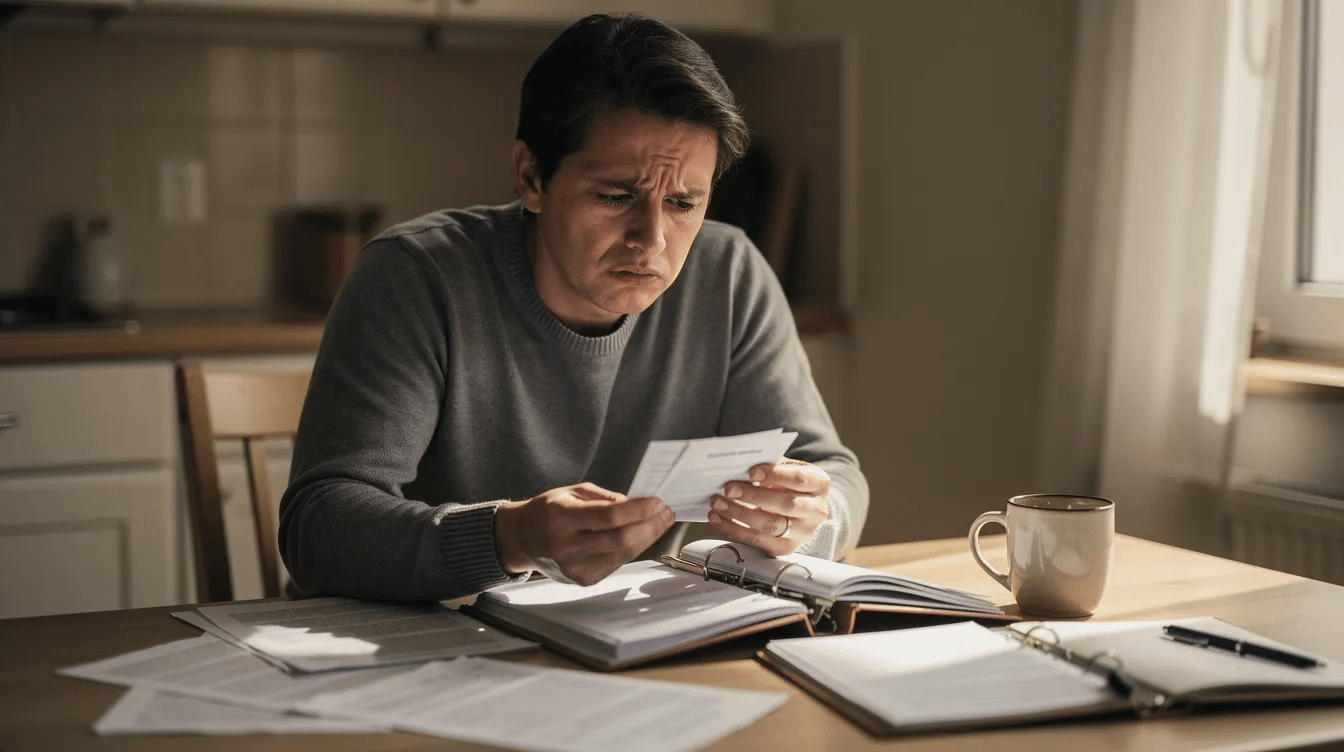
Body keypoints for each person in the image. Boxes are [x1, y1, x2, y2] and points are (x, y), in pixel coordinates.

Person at [278, 12, 868, 601]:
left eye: (685, 203)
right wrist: (507, 537)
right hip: (409, 651)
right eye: (616, 196)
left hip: (620, 645)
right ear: (531, 176)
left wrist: (806, 518)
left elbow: (834, 476)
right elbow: (319, 529)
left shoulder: (730, 274)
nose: (652, 239)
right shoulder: (416, 275)